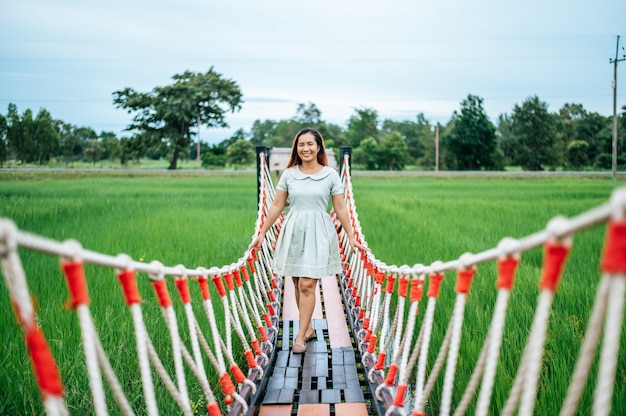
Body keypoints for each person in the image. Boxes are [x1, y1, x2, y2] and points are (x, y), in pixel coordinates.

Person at [249, 127, 366, 354]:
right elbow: (276, 205)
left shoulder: (331, 175)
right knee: (296, 283)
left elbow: (340, 207)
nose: (306, 149)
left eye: (310, 144)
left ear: (319, 146)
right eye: (301, 145)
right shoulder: (289, 174)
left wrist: (351, 236)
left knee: (306, 284)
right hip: (293, 230)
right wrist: (262, 232)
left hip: (319, 232)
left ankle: (300, 337)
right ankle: (309, 327)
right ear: (296, 148)